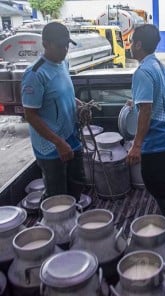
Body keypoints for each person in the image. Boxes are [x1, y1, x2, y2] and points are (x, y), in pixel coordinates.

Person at [126, 24, 165, 242]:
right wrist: (135, 102)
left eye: (132, 41)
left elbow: (147, 110)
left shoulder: (142, 71)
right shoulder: (160, 65)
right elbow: (157, 99)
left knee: (155, 183)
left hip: (159, 140)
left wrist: (137, 145)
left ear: (139, 44)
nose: (130, 46)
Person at [22, 22, 85, 202]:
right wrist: (58, 143)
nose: (65, 49)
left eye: (67, 45)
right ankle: (54, 227)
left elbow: (62, 94)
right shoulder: (35, 74)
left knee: (77, 183)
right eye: (60, 46)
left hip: (71, 137)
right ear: (46, 44)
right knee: (57, 198)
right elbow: (30, 115)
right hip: (51, 147)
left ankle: (72, 220)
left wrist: (78, 104)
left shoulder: (63, 63)